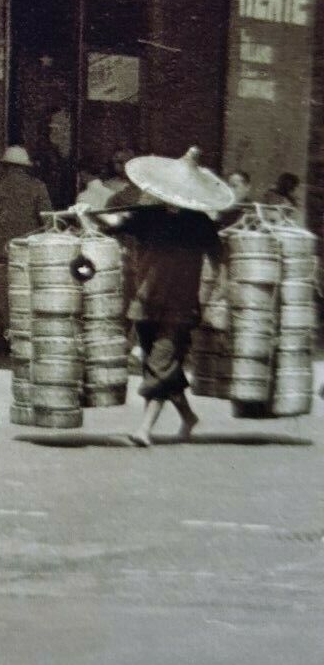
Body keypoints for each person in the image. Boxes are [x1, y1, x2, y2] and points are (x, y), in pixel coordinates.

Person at [97, 147, 229, 447]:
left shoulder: (199, 222)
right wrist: (87, 217)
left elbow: (219, 259)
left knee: (160, 363)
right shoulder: (147, 216)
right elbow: (113, 226)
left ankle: (145, 428)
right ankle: (188, 417)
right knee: (159, 368)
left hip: (180, 307)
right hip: (144, 304)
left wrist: (219, 294)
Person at [0, 145, 52, 261]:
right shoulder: (38, 186)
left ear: (6, 165)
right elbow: (48, 222)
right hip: (28, 248)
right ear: (25, 167)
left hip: (0, 250)